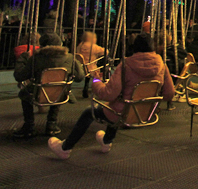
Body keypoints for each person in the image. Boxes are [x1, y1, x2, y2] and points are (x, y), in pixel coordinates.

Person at [47, 33, 175, 159]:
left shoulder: (126, 65)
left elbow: (108, 94)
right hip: (146, 112)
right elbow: (169, 93)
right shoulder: (162, 66)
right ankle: (106, 141)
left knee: (90, 112)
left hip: (123, 111)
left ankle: (65, 148)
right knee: (117, 103)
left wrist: (96, 81)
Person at [13, 33, 84, 138]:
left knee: (24, 93)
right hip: (59, 93)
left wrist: (23, 58)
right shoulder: (69, 58)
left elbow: (19, 76)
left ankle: (29, 125)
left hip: (39, 92)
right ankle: (51, 124)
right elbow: (80, 77)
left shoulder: (36, 58)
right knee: (59, 88)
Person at [76, 31, 106, 98]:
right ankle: (98, 87)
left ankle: (86, 87)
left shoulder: (80, 45)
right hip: (91, 67)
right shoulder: (93, 46)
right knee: (99, 73)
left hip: (81, 67)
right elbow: (105, 52)